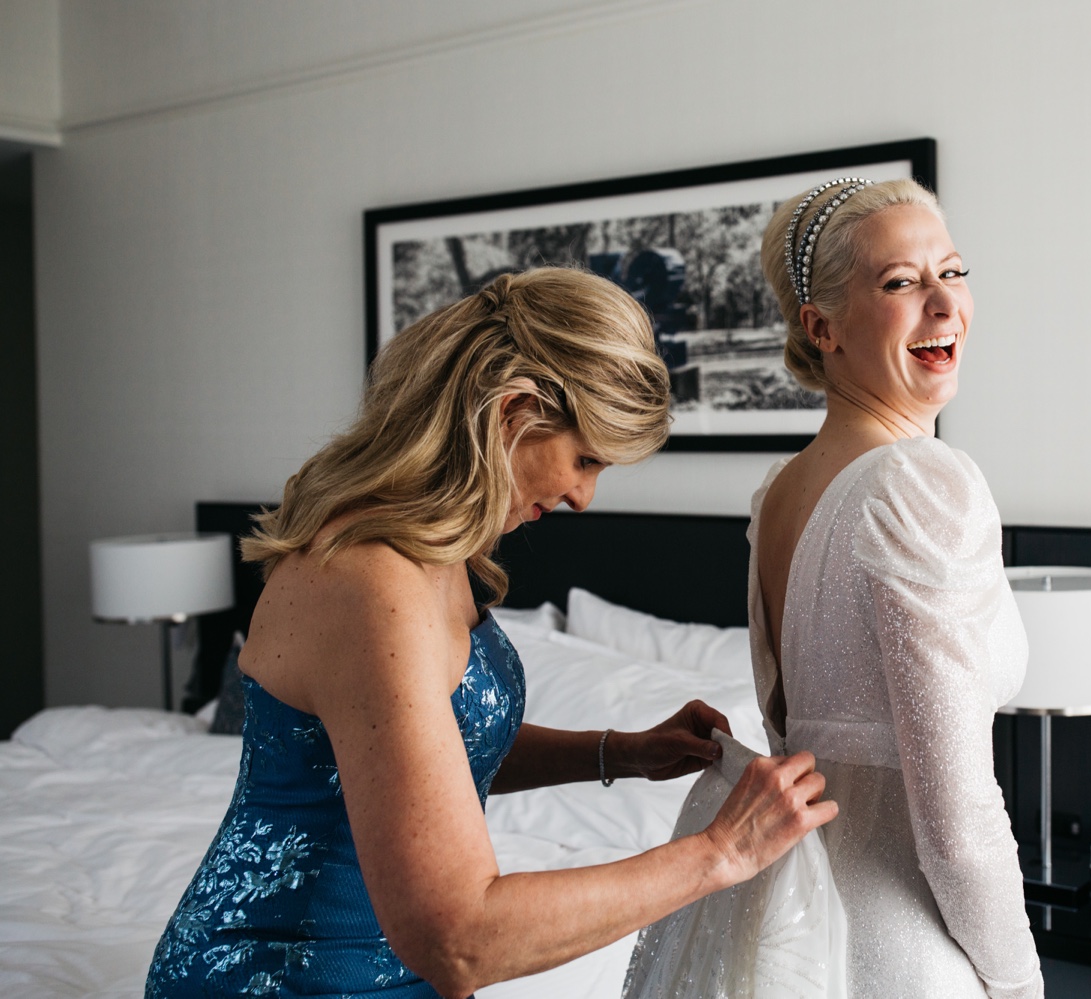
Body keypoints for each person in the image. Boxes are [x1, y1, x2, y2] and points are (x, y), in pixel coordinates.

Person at [143, 267, 838, 999]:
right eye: (586, 459)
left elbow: (422, 756)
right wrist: (720, 853)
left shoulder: (428, 552)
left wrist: (619, 751)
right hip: (284, 975)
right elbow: (459, 939)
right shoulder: (370, 583)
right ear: (513, 412)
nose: (582, 497)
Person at [626, 179, 1044, 997]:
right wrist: (1022, 984)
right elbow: (959, 825)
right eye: (900, 282)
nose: (944, 304)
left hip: (792, 930)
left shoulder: (780, 494)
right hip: (910, 952)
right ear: (821, 327)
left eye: (953, 272)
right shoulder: (922, 483)